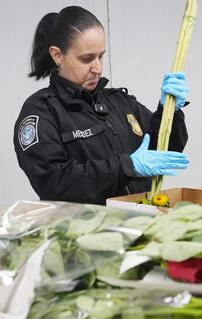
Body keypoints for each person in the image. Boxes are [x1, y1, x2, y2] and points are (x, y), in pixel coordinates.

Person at [14, 5, 190, 205]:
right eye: (86, 58)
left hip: (141, 221)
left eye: (101, 56)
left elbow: (163, 151)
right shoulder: (42, 112)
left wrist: (169, 111)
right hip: (88, 231)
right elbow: (54, 183)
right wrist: (128, 166)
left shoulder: (120, 102)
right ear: (57, 55)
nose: (97, 68)